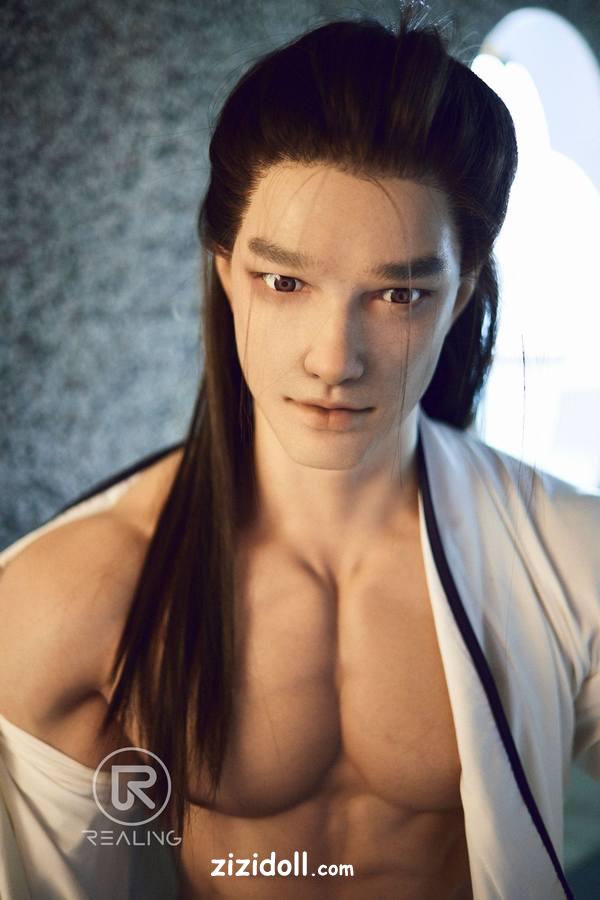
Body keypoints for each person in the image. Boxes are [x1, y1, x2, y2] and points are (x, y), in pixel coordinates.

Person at [0, 4, 598, 899]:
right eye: (285, 281)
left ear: (464, 291)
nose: (333, 359)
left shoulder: (572, 558)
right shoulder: (68, 601)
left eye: (398, 296)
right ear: (225, 271)